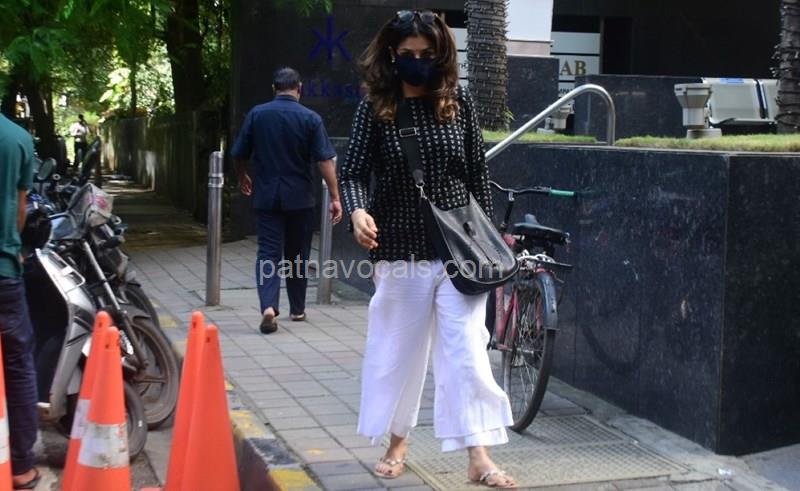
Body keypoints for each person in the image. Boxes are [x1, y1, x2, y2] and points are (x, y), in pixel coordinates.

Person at [339, 10, 517, 489]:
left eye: (427, 54)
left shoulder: (458, 102)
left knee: (467, 352)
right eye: (408, 54)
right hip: (399, 249)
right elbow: (352, 172)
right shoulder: (377, 107)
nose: (418, 61)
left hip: (459, 252)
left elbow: (477, 175)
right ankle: (397, 442)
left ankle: (478, 455)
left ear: (441, 54)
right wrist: (356, 212)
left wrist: (487, 242)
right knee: (399, 351)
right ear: (391, 55)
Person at [232, 67, 342, 334]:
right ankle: (297, 309)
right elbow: (324, 160)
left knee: (268, 253)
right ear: (299, 89)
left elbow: (239, 153)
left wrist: (242, 176)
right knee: (298, 254)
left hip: (267, 196)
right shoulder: (310, 118)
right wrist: (335, 196)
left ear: (274, 89)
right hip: (300, 198)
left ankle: (269, 307)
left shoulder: (257, 114)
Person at [0, 114, 41, 489]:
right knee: (18, 365)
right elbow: (19, 211)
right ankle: (22, 466)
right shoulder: (16, 139)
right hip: (4, 273)